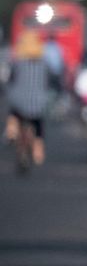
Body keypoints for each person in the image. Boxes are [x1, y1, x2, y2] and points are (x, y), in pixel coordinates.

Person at [5, 31, 59, 165]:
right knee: (38, 125)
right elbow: (52, 79)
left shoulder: (18, 63)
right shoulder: (44, 64)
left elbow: (11, 79)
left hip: (19, 102)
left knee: (13, 113)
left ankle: (11, 130)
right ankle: (38, 150)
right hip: (38, 103)